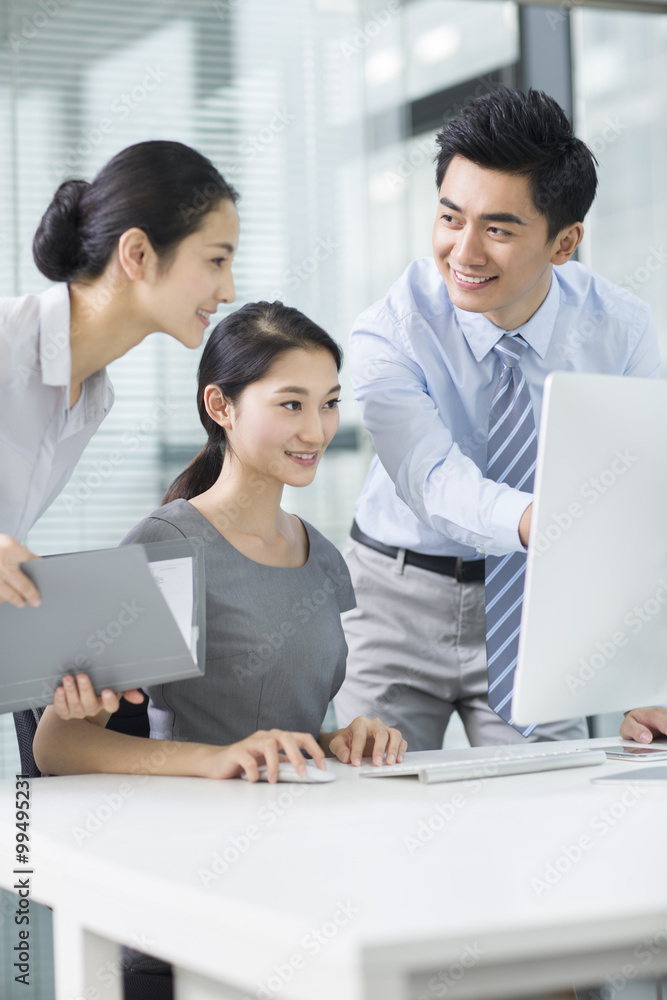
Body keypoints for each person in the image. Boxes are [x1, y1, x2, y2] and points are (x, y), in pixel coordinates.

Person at [333, 88, 661, 752]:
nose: (465, 251)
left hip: (542, 604)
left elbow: (646, 503)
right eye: (451, 217)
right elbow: (430, 480)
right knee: (372, 807)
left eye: (499, 229)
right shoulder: (389, 330)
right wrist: (542, 522)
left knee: (547, 811)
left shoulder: (619, 332)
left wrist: (647, 674)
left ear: (564, 242)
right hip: (396, 598)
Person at [33, 301, 408, 782]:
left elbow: (271, 741)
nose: (316, 431)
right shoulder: (165, 546)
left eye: (330, 403)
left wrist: (334, 743)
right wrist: (214, 760)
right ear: (220, 406)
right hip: (195, 828)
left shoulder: (323, 558)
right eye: (291, 404)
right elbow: (59, 744)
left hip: (302, 819)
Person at [0, 139, 242, 748]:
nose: (229, 288)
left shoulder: (88, 397)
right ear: (137, 253)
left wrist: (63, 663)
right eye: (215, 260)